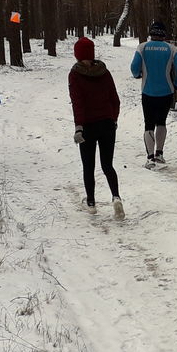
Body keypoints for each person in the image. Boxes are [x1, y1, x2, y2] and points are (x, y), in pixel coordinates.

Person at [69, 37, 124, 219]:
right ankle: (116, 197)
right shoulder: (104, 72)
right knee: (108, 165)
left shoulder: (75, 74)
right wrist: (113, 119)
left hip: (87, 126)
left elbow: (78, 103)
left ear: (77, 54)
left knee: (88, 166)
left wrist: (79, 127)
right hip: (107, 124)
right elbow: (115, 99)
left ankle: (91, 203)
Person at [130, 21, 177, 169]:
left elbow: (134, 67)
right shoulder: (172, 49)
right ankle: (159, 154)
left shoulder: (142, 47)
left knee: (148, 123)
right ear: (164, 34)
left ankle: (150, 158)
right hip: (166, 91)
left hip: (148, 91)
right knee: (161, 122)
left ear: (151, 33)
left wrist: (137, 74)